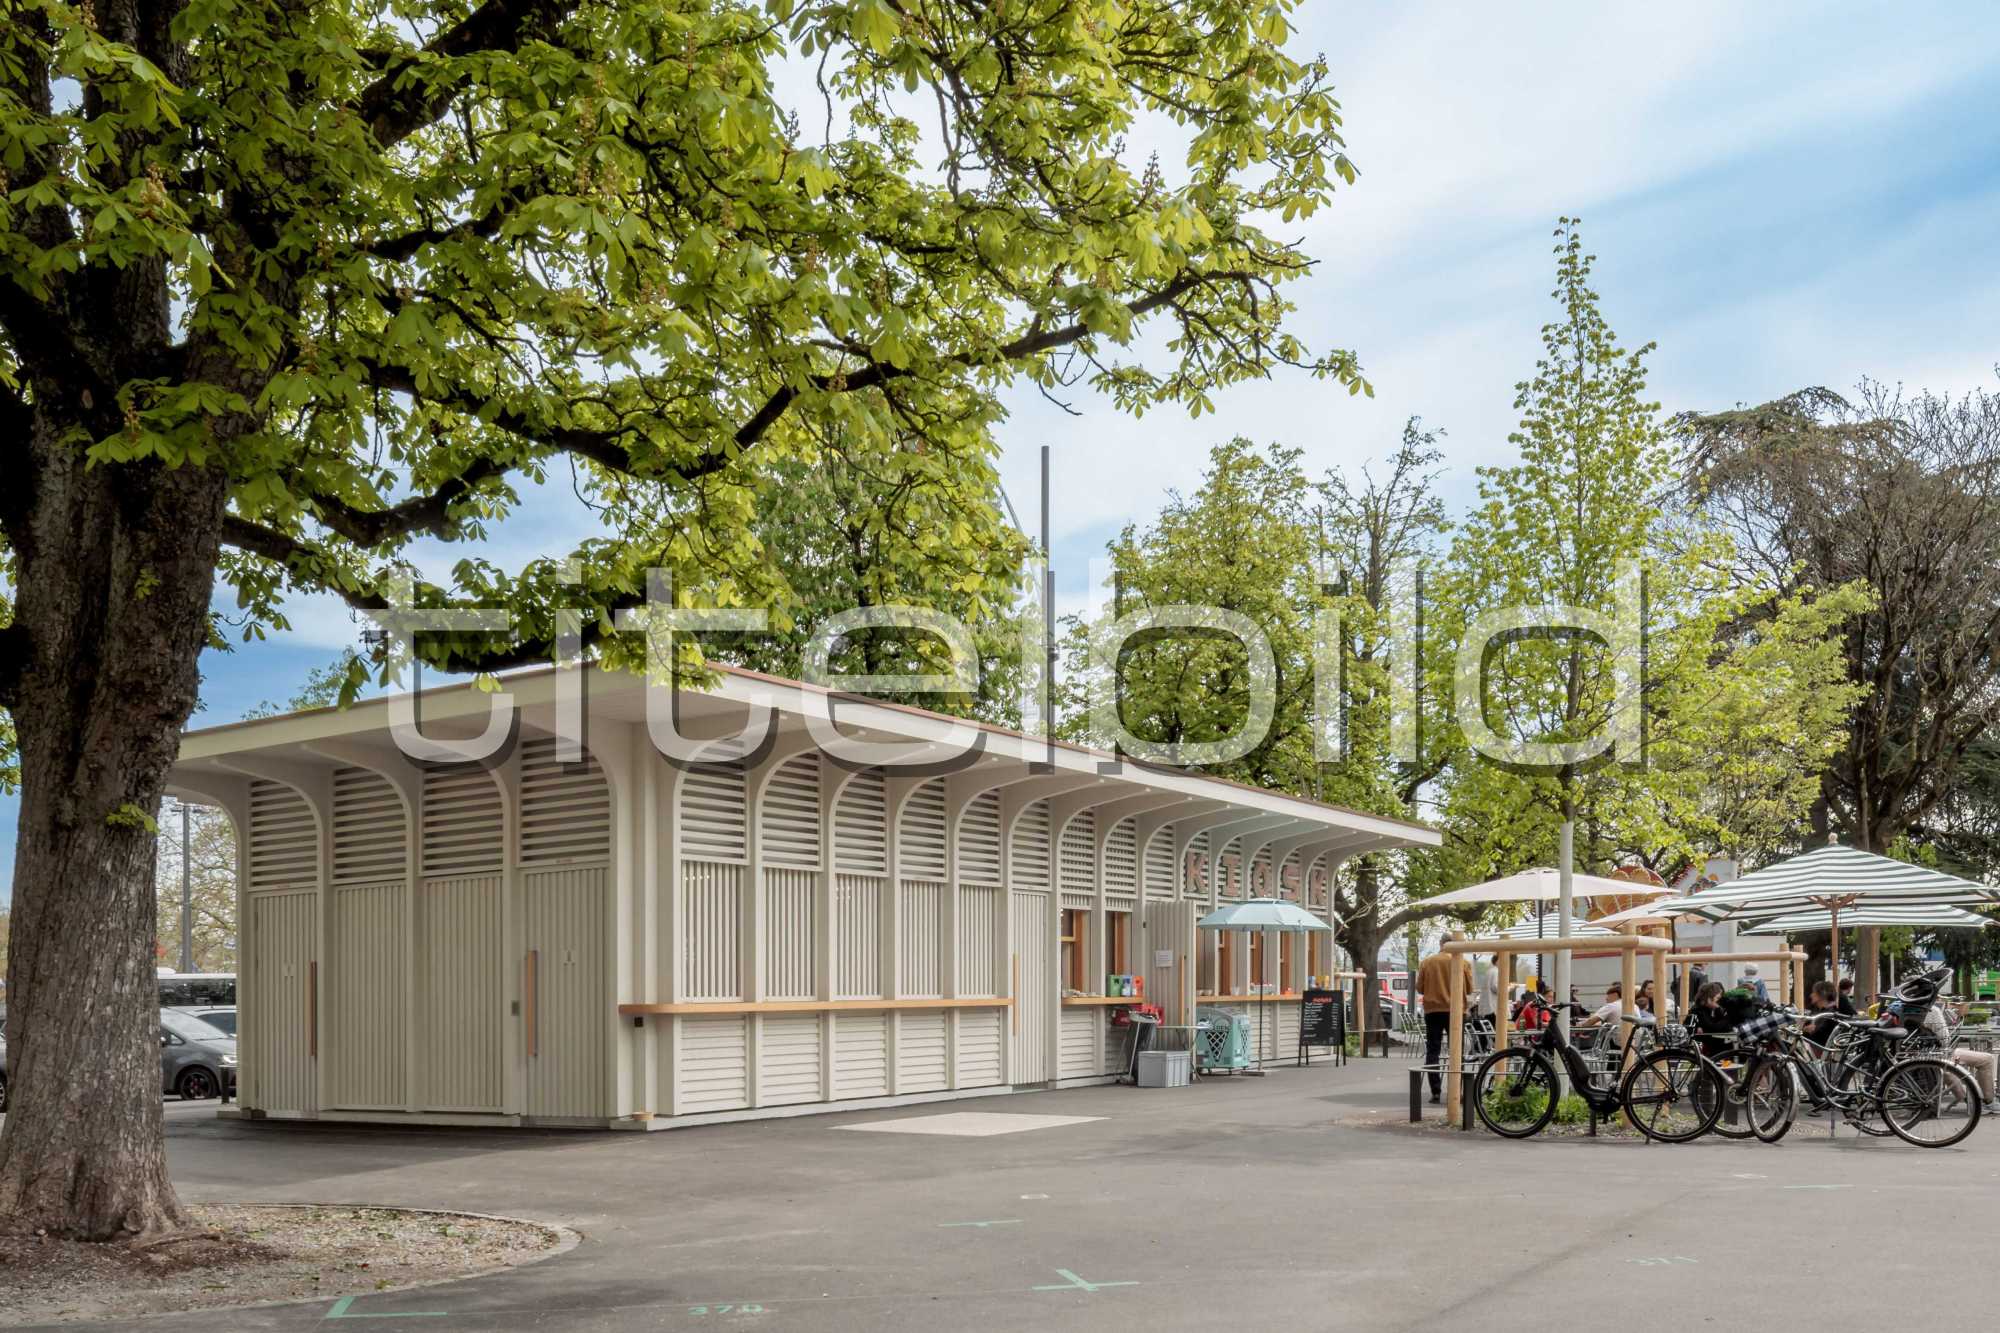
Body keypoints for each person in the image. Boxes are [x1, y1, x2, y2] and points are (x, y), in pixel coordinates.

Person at [1416, 933, 1474, 1104]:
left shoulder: (1427, 962)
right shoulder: (1463, 962)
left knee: (1433, 1051)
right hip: (1456, 1010)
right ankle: (1456, 1091)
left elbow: (1420, 988)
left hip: (1433, 1010)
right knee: (1456, 1051)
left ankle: (1435, 1091)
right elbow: (1470, 989)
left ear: (1441, 944)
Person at [1919, 1003, 2000, 1114]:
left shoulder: (1898, 1008)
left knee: (1949, 1066)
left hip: (1916, 1055)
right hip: (1940, 1054)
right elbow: (1945, 1039)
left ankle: (1970, 1100)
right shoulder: (1932, 1010)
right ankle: (1988, 1102)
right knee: (1987, 1059)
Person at [1688, 981, 1733, 1057]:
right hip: (1706, 1046)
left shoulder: (1707, 1009)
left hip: (1710, 1042)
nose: (1718, 1002)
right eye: (1717, 998)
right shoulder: (1698, 1010)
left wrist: (1718, 1010)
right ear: (1709, 998)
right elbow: (1713, 1027)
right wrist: (1726, 1018)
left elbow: (1722, 1026)